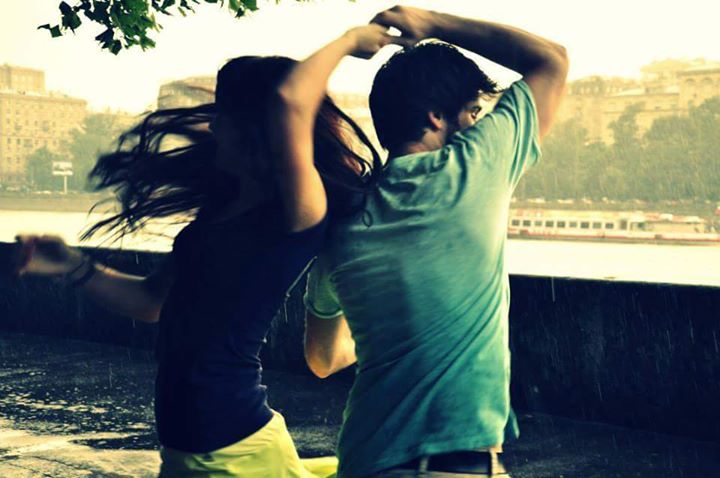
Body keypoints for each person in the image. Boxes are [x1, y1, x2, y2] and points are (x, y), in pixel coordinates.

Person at [14, 22, 400, 477]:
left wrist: (351, 41)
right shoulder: (220, 211)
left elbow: (290, 101)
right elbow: (152, 301)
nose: (214, 125)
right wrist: (72, 265)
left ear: (261, 130)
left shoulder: (298, 212)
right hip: (191, 451)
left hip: (233, 452)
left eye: (226, 115)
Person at [303, 6, 569, 478]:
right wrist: (429, 22)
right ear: (436, 116)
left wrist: (397, 339)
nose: (478, 124)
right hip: (453, 468)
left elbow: (322, 359)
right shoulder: (472, 166)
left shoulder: (341, 221)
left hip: (364, 461)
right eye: (474, 112)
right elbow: (551, 59)